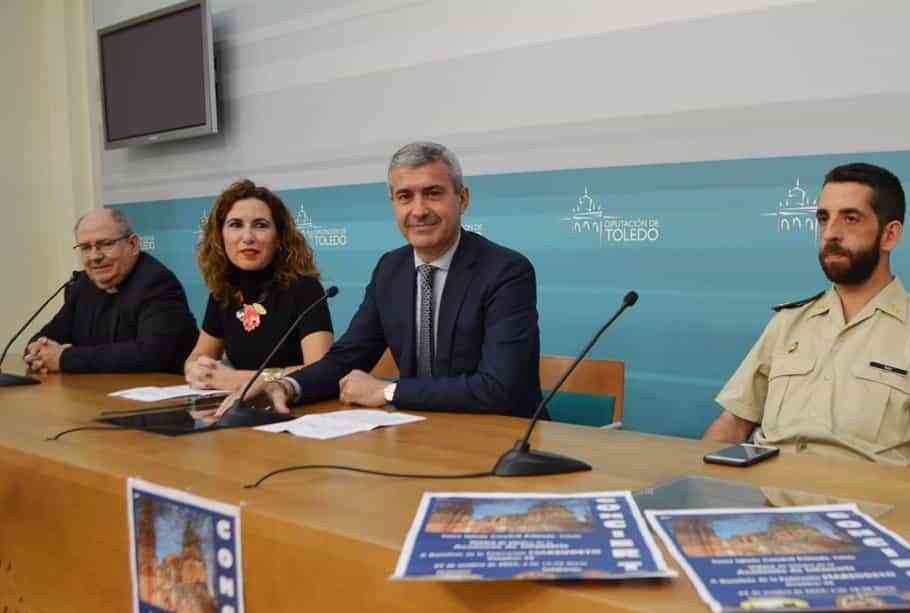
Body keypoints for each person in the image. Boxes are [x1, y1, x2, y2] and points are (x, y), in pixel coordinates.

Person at [704, 163, 910, 472]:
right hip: (765, 502)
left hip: (865, 508)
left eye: (850, 218)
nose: (831, 233)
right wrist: (704, 485)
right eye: (824, 218)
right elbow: (733, 421)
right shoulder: (789, 322)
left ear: (889, 235)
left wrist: (900, 503)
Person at [230, 141, 541, 417]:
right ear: (393, 203)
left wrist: (388, 392)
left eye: (433, 194)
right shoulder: (390, 269)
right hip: (420, 432)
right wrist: (287, 386)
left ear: (463, 199)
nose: (418, 210)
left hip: (502, 436)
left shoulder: (505, 271)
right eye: (405, 196)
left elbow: (499, 387)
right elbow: (347, 357)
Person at [184, 179, 333, 392]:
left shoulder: (305, 289)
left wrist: (239, 379)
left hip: (297, 407)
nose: (247, 237)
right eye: (235, 225)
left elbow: (321, 370)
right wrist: (195, 369)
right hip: (239, 409)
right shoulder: (223, 291)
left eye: (260, 225)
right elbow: (198, 356)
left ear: (279, 237)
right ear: (220, 236)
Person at [25, 208, 198, 374]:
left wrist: (65, 358)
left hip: (160, 396)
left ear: (133, 244)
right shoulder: (83, 284)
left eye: (105, 244)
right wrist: (37, 350)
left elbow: (152, 353)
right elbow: (49, 335)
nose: (94, 256)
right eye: (85, 247)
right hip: (97, 394)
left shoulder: (157, 282)